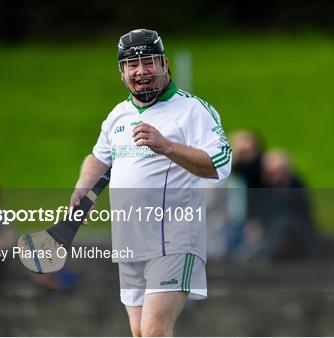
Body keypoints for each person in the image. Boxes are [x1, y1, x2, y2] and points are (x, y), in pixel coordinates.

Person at [69, 29, 231, 336]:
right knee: (140, 333)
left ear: (165, 64)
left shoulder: (193, 110)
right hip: (130, 242)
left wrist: (167, 146)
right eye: (132, 65)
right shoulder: (118, 115)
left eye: (148, 62)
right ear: (122, 73)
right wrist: (83, 189)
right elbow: (98, 159)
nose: (141, 71)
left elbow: (220, 164)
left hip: (174, 239)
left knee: (154, 331)